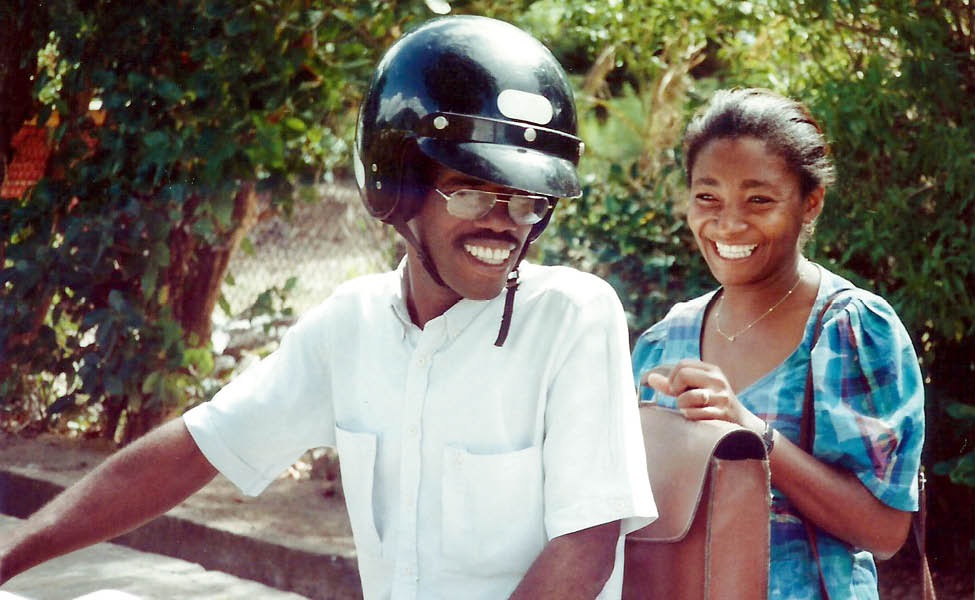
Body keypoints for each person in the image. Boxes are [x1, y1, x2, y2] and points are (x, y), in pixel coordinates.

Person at [0, 15, 656, 599]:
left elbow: (585, 549)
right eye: (472, 191)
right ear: (396, 185)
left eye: (527, 200)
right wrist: (10, 558)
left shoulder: (572, 315)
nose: (505, 223)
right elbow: (197, 449)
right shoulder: (352, 324)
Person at [632, 88, 925, 599]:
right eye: (707, 197)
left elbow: (885, 532)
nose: (728, 224)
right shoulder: (663, 342)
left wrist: (749, 428)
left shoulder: (848, 330)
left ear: (810, 203)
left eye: (759, 200)